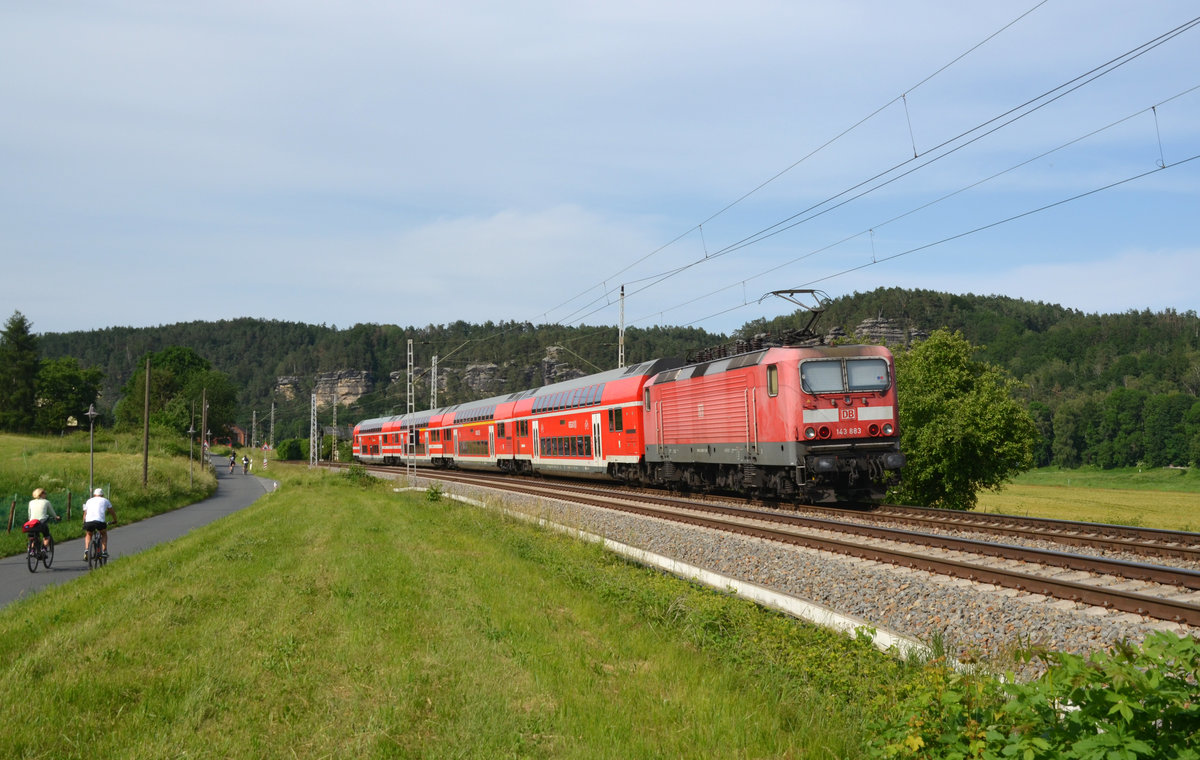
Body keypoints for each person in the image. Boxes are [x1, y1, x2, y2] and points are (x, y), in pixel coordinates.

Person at [82, 487, 117, 560]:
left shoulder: (89, 501)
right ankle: (104, 551)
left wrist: (84, 522)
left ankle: (87, 550)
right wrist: (115, 520)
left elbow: (85, 514)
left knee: (88, 534)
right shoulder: (105, 500)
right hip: (100, 522)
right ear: (102, 495)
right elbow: (112, 512)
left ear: (94, 495)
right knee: (103, 533)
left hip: (89, 522)